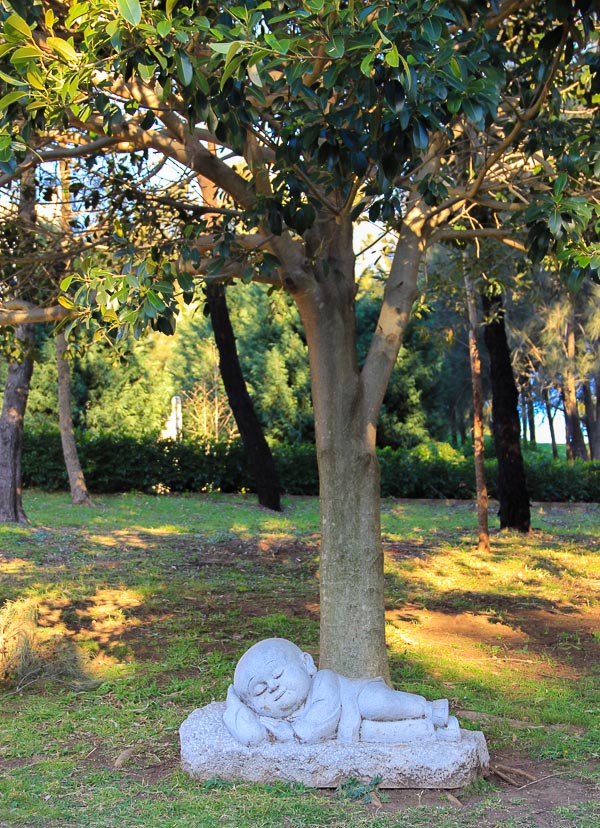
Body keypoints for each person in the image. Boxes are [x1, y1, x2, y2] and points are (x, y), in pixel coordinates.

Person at [223, 637, 459, 747]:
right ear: (252, 705)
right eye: (261, 689)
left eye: (277, 675)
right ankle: (435, 732)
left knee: (375, 704)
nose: (273, 687)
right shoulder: (276, 720)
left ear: (307, 664)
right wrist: (234, 703)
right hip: (354, 730)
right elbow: (251, 737)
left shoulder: (323, 680)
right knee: (378, 732)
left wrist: (292, 734)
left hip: (360, 697)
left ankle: (429, 709)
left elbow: (322, 721)